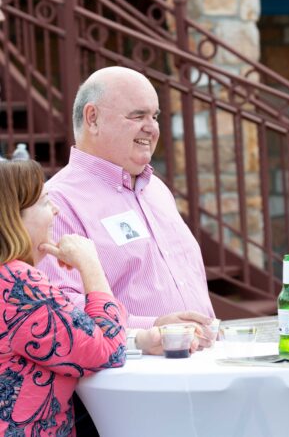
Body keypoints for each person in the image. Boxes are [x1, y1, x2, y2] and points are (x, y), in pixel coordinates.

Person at [37, 66, 215, 354]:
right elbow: (62, 311)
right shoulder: (58, 202)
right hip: (129, 380)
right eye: (137, 116)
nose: (152, 127)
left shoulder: (156, 189)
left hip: (199, 364)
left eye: (155, 116)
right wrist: (153, 328)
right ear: (92, 119)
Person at [0, 160, 127, 436]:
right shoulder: (18, 284)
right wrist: (90, 264)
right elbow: (108, 349)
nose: (55, 210)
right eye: (45, 202)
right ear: (14, 215)